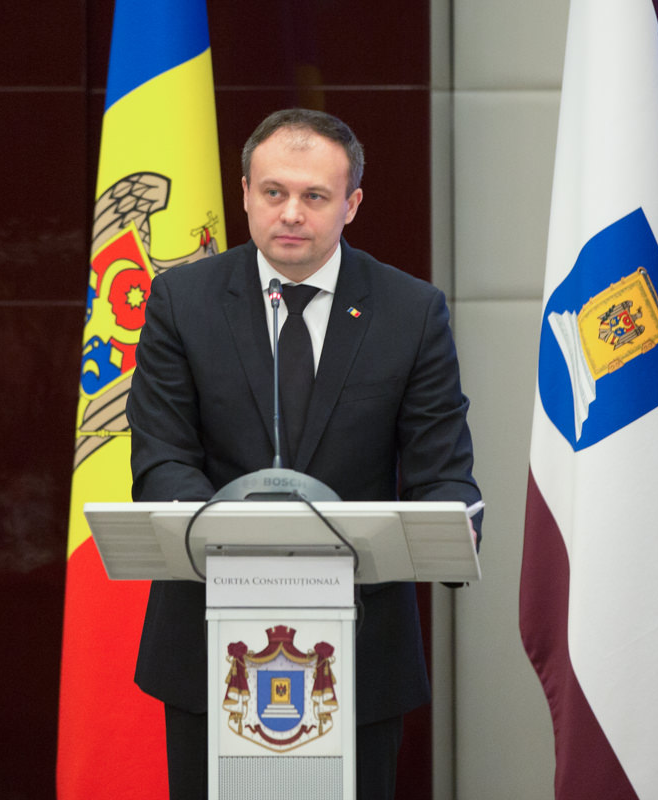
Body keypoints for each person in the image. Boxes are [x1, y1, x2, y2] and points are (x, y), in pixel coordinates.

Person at [126, 108, 482, 799]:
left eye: (314, 196)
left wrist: (453, 522)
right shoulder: (182, 301)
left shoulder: (410, 310)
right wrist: (232, 541)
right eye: (274, 192)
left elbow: (440, 469)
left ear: (352, 204)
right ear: (244, 194)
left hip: (359, 647)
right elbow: (163, 457)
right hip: (210, 643)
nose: (291, 213)